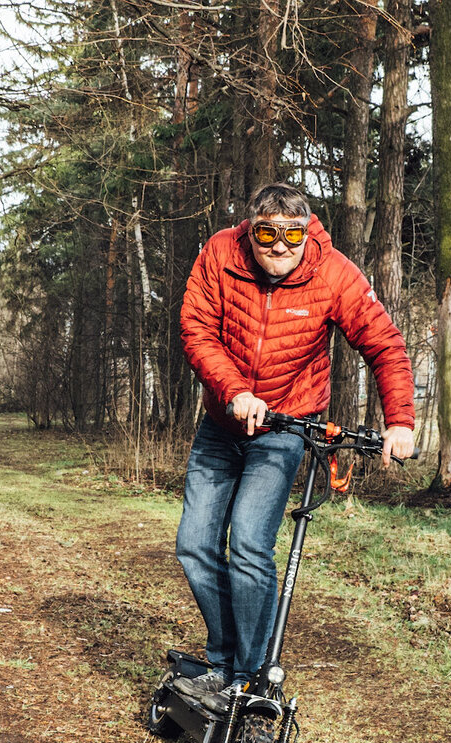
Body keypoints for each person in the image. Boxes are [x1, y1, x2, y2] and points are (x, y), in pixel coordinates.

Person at [173, 183, 415, 714]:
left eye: (292, 236)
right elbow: (195, 329)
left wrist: (398, 421)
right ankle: (224, 659)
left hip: (287, 427)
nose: (280, 247)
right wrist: (234, 391)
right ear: (250, 230)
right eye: (267, 234)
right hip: (223, 422)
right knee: (194, 545)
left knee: (252, 546)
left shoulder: (333, 273)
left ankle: (245, 676)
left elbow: (385, 345)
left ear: (307, 232)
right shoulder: (220, 252)